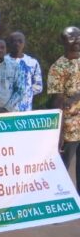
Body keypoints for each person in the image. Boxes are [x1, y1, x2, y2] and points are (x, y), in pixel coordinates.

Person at [48, 26, 80, 191]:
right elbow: (58, 101)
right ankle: (57, 197)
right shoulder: (58, 67)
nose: (77, 40)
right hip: (70, 127)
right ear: (64, 42)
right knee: (63, 166)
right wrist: (59, 131)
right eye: (72, 37)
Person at [6, 31, 43, 111]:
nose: (17, 44)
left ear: (24, 43)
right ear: (9, 43)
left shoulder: (32, 62)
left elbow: (38, 86)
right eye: (13, 41)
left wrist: (26, 93)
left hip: (25, 107)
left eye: (20, 41)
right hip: (5, 107)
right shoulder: (2, 61)